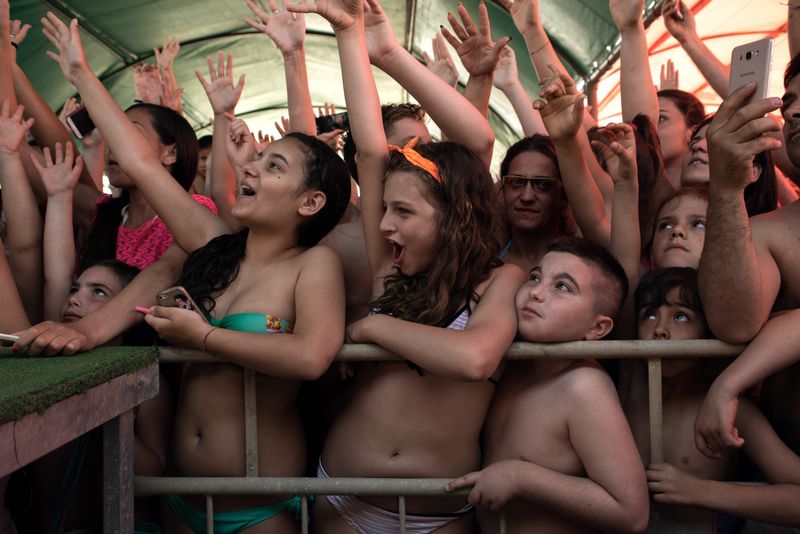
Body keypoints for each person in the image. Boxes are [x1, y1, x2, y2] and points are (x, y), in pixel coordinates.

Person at [38, 11, 351, 533]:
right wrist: (81, 76)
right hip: (178, 499)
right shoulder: (213, 245)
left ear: (311, 202)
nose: (250, 167)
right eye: (257, 160)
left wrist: (203, 337)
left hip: (258, 509)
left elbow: (311, 355)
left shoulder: (315, 264)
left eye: (273, 166)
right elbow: (142, 166)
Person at [285, 1, 525, 532]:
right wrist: (349, 33)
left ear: (455, 215)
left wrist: (370, 328)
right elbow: (371, 152)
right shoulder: (389, 271)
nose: (385, 225)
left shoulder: (500, 280)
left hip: (434, 517)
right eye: (384, 208)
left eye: (403, 212)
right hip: (342, 498)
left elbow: (475, 358)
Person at [448, 238, 649, 534]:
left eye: (563, 287)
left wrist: (520, 477)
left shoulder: (584, 386)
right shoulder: (510, 369)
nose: (536, 292)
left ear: (597, 328)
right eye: (535, 277)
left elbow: (632, 514)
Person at [620, 268, 800, 530]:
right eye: (649, 314)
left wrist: (700, 491)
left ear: (709, 331)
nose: (659, 329)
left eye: (681, 316)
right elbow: (627, 270)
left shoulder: (730, 410)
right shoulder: (630, 384)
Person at [498, 134, 575, 273]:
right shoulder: (484, 263)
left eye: (543, 184)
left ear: (564, 195)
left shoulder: (579, 264)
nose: (527, 197)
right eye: (516, 182)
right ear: (503, 190)